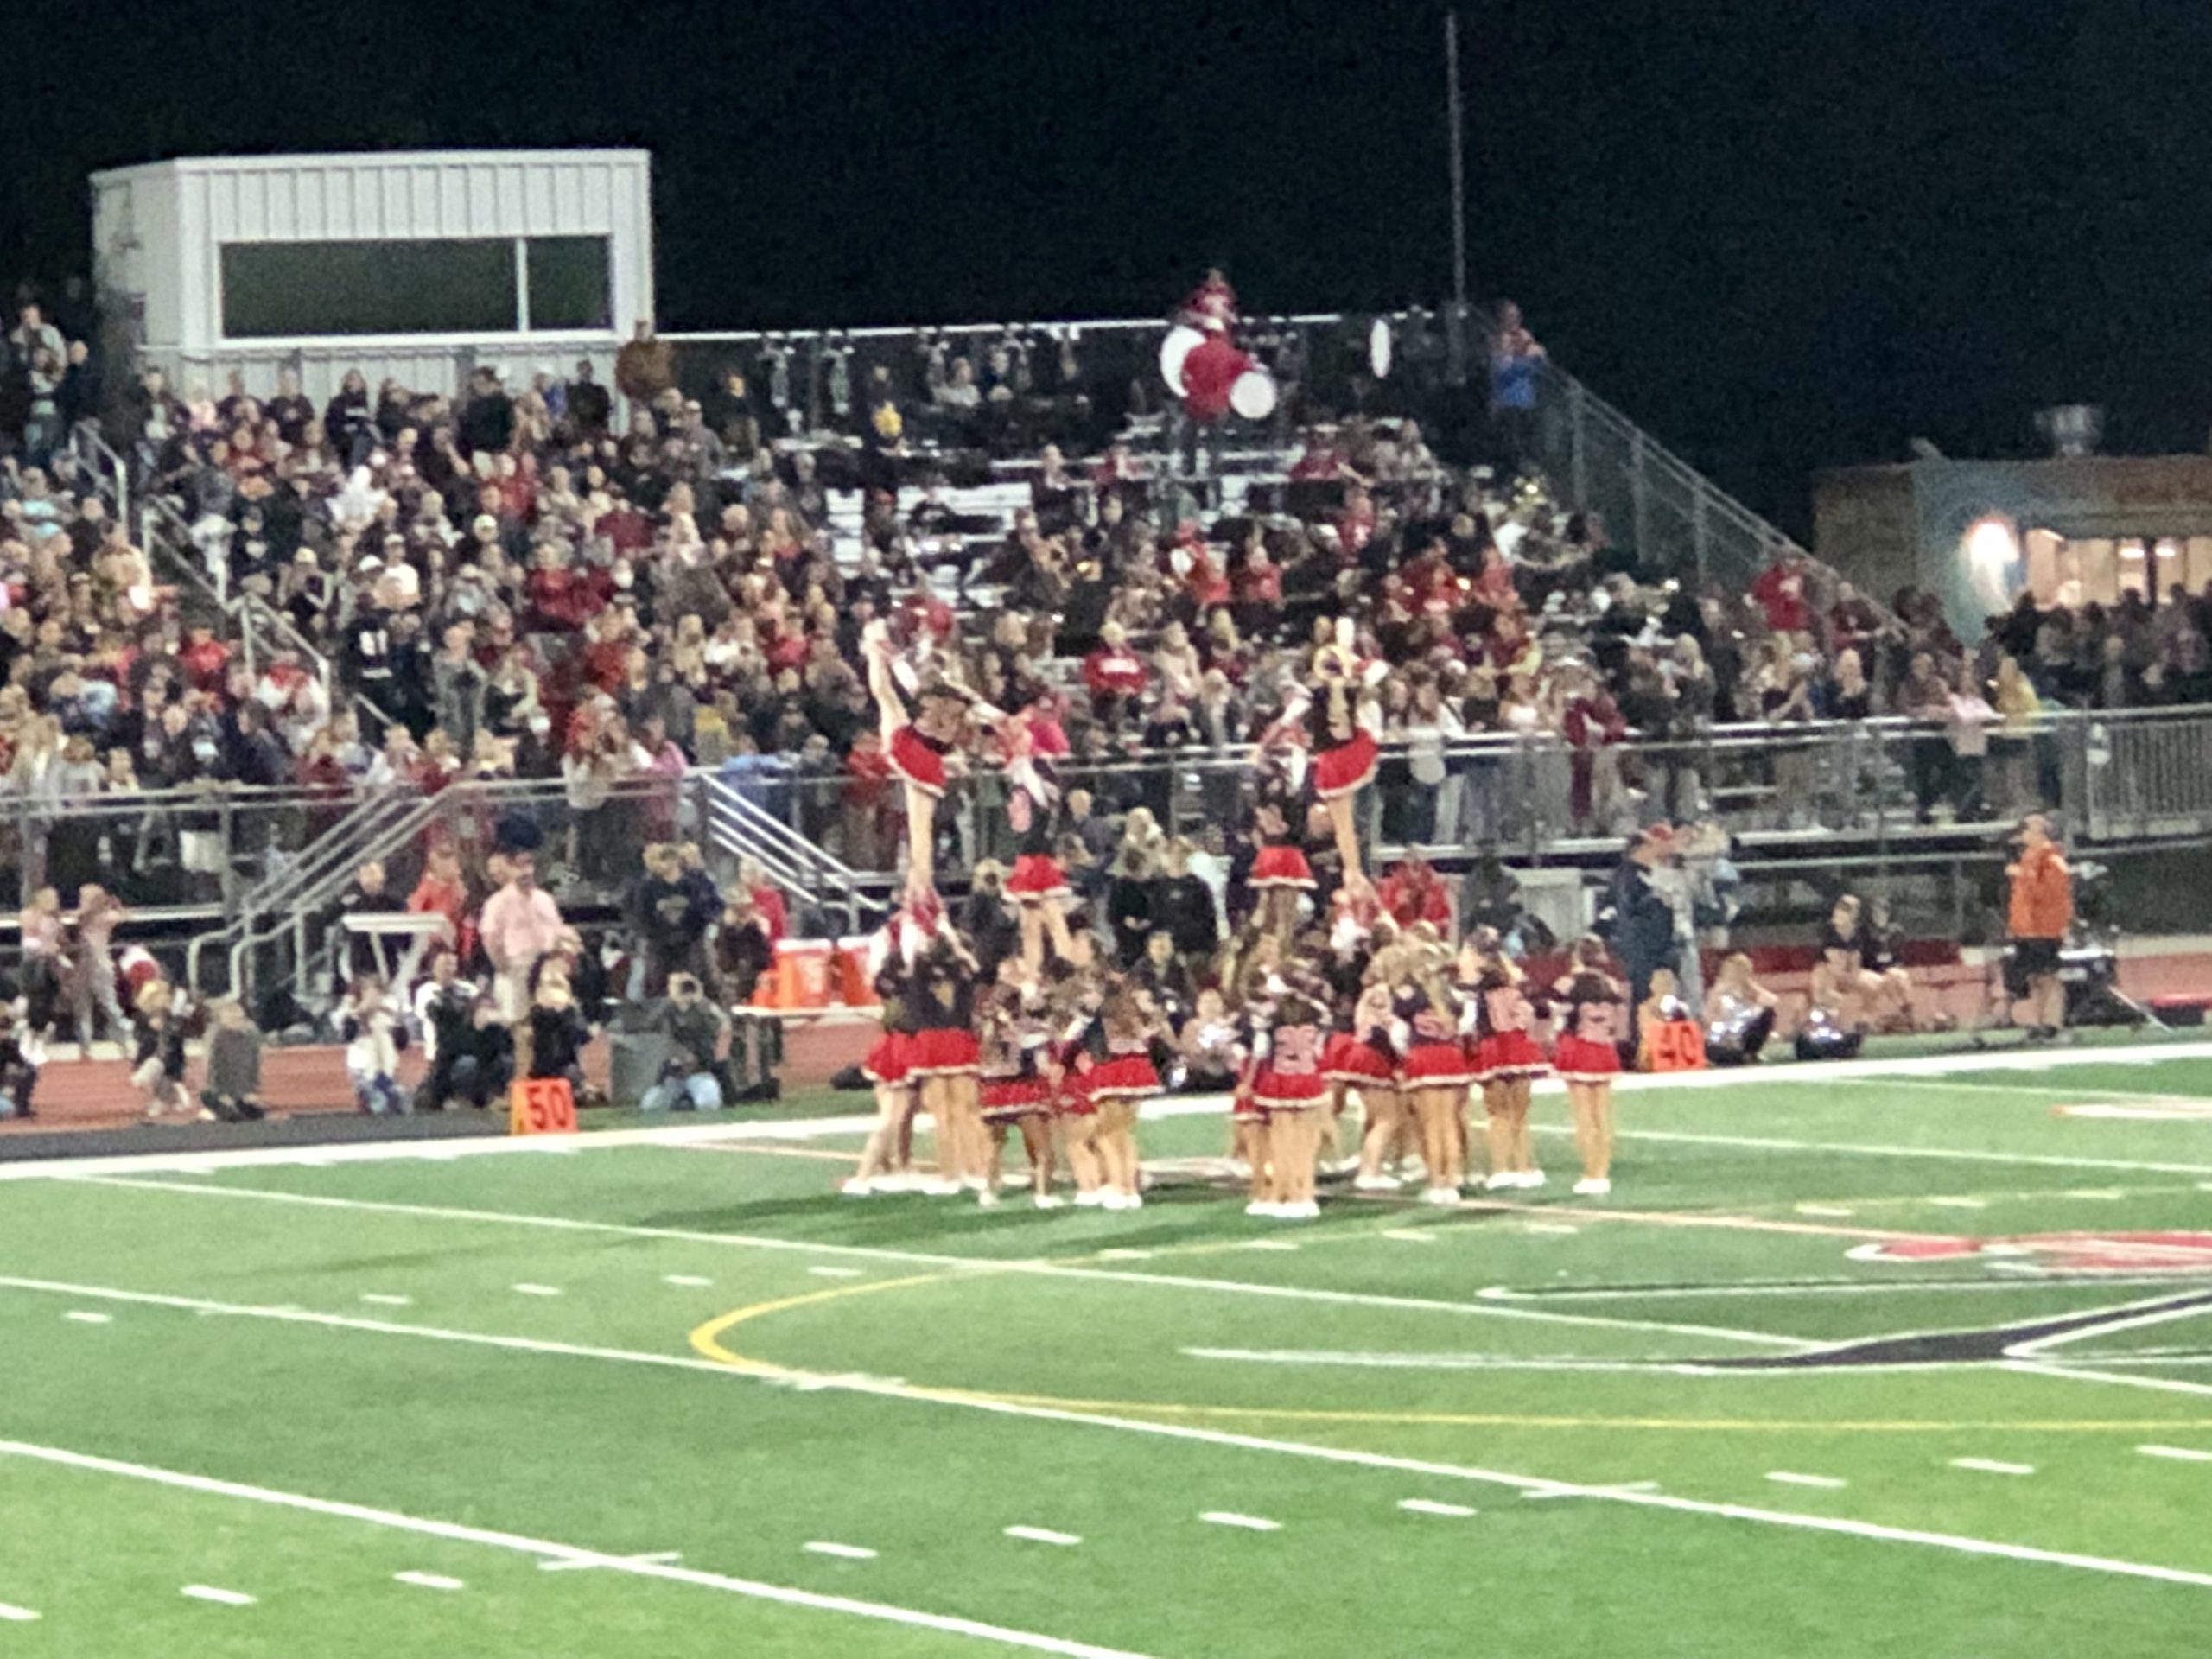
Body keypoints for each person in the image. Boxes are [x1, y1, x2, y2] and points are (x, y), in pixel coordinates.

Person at [1550, 937, 1624, 1196]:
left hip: (1578, 1048)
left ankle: (1590, 1172)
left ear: (1577, 957)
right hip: (1604, 1049)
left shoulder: (1568, 983)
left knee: (1583, 1117)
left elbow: (1551, 1012)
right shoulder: (1611, 983)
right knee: (1602, 1117)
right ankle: (1602, 1172)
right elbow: (1620, 1024)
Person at [2005, 813, 2072, 1040]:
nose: (2023, 834)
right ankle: (2037, 1022)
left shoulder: (2051, 860)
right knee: (2031, 977)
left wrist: (2023, 875)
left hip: (2045, 928)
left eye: (2027, 830)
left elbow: (2051, 895)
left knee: (2048, 975)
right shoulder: (2028, 858)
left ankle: (2052, 1022)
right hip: (2026, 929)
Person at [480, 851, 566, 1021]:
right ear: (512, 869)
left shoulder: (544, 899)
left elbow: (557, 930)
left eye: (527, 868)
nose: (524, 873)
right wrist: (501, 966)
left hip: (547, 969)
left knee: (549, 1021)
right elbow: (489, 938)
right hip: (516, 967)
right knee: (516, 1020)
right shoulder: (498, 902)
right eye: (519, 868)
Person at [640, 975, 728, 1112]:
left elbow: (723, 1021)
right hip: (673, 1075)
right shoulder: (667, 1009)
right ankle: (682, 1101)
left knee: (708, 1104)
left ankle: (688, 1101)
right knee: (651, 1106)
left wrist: (701, 1000)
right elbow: (649, 1023)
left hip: (699, 1071)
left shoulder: (702, 1008)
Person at [341, 975, 407, 1114]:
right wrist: (361, 1013)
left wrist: (397, 1021)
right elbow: (348, 1035)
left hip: (387, 1070)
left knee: (401, 1099)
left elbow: (402, 1043)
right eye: (366, 990)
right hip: (362, 1071)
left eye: (376, 990)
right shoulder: (351, 1013)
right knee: (380, 1103)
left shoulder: (390, 1013)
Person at [1703, 952, 1780, 1066]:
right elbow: (1707, 1019)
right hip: (1722, 1040)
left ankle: (1749, 1053)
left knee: (1768, 1013)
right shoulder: (1718, 992)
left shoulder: (1748, 992)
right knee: (1728, 1054)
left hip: (1742, 1037)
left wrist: (1750, 986)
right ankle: (1735, 1055)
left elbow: (1773, 1001)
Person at [200, 997, 268, 1123]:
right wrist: (220, 1092)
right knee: (209, 1097)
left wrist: (251, 1091)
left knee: (255, 1113)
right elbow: (213, 1066)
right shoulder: (215, 1036)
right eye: (230, 1014)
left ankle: (236, 1109)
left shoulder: (250, 1034)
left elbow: (254, 1065)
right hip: (221, 1090)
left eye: (237, 1014)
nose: (235, 1017)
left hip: (243, 1091)